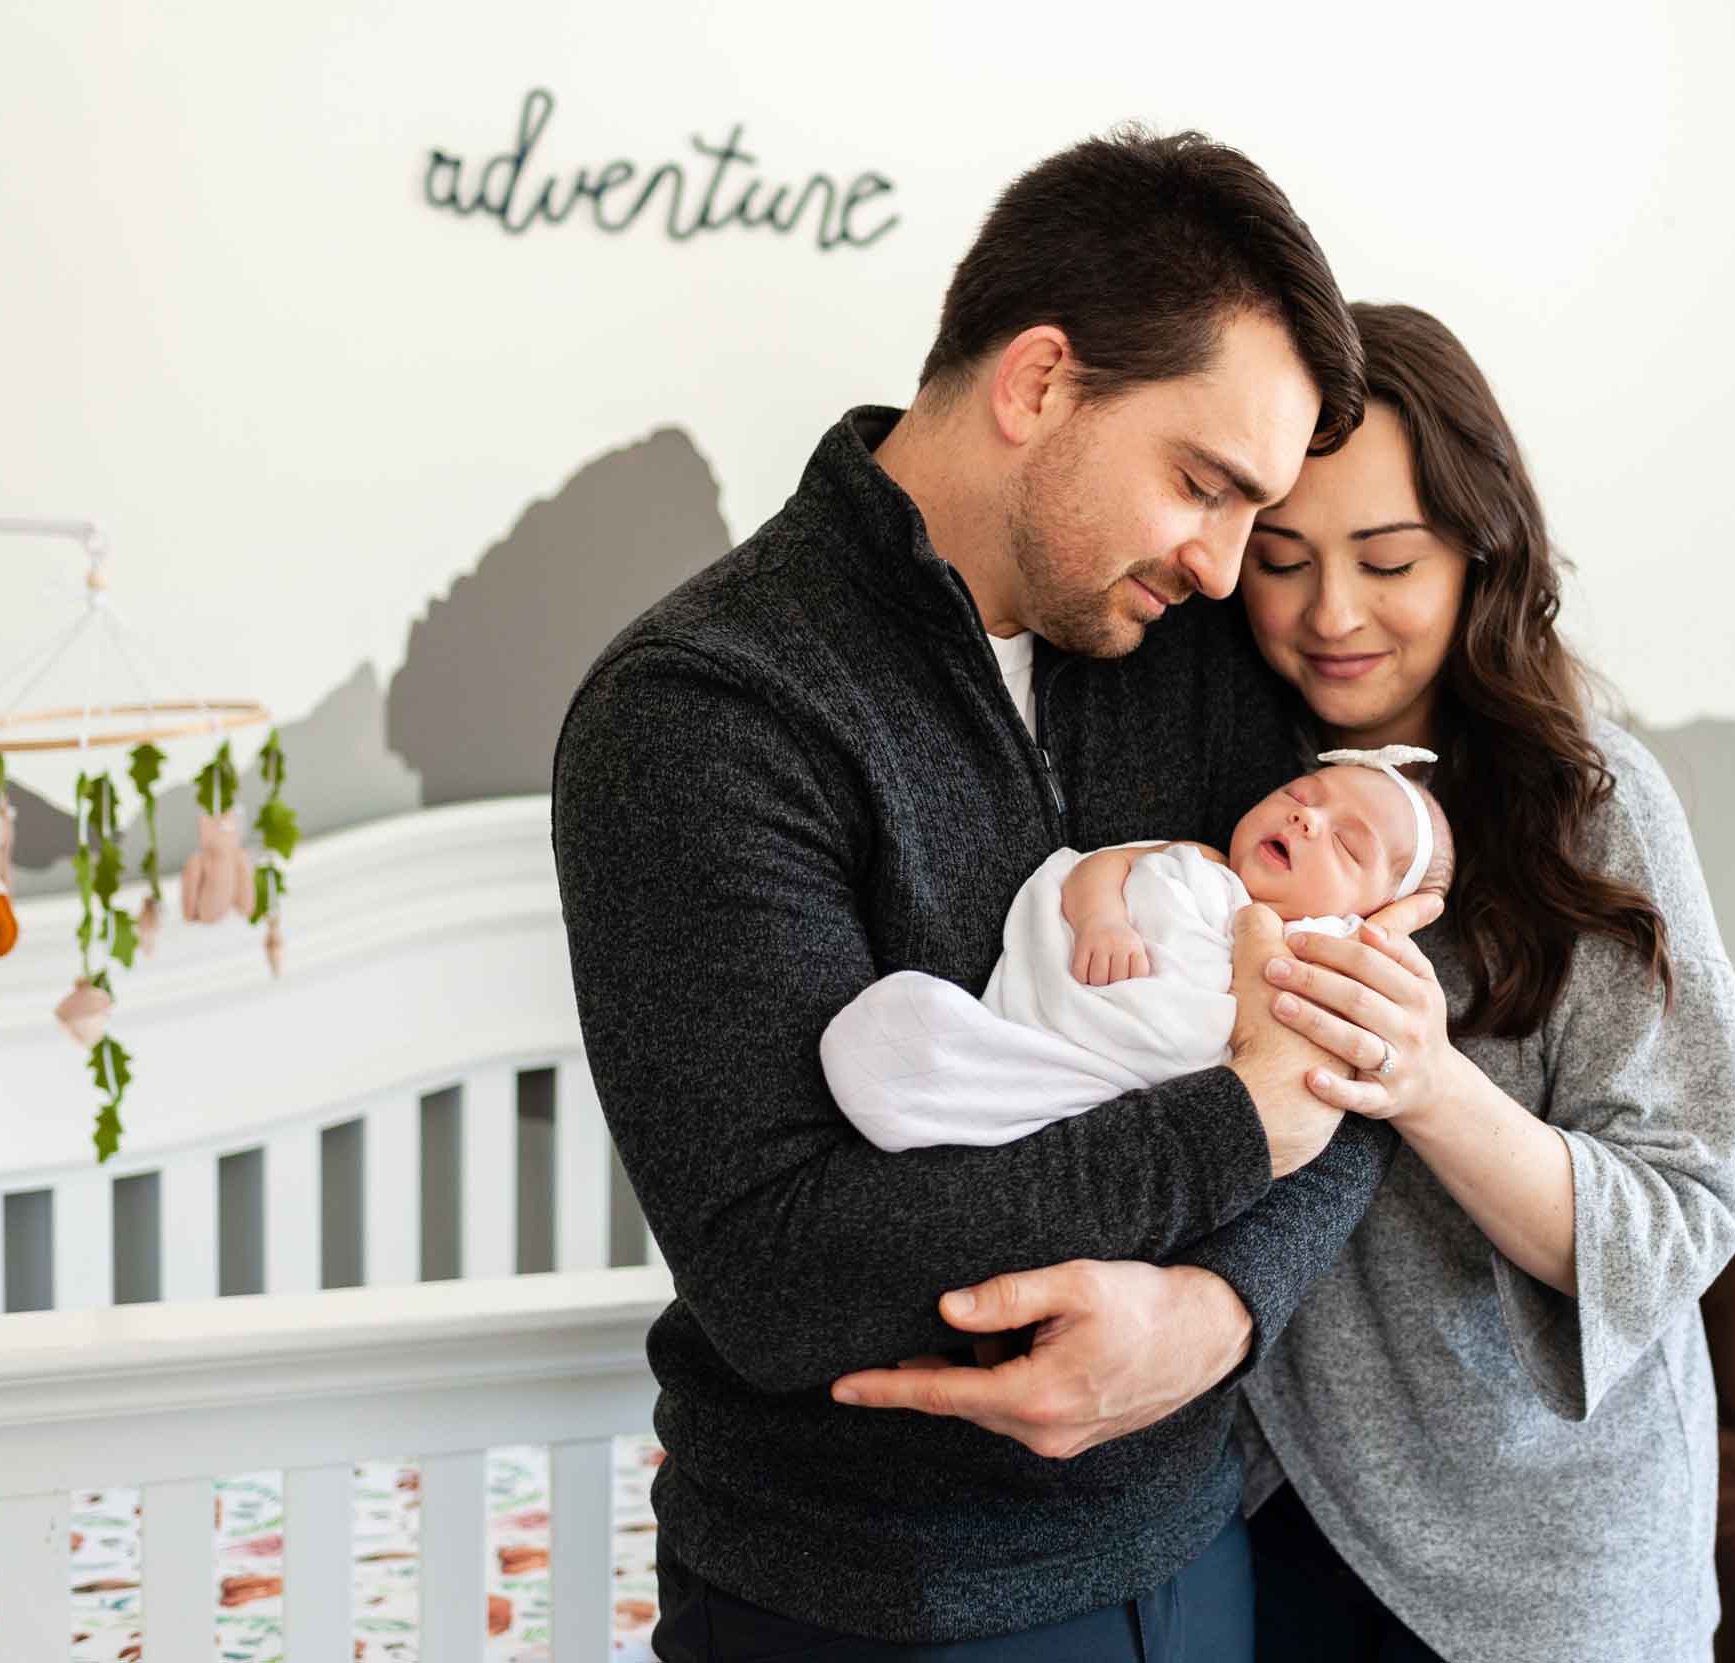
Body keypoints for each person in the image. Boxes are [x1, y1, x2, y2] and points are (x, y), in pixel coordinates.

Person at [549, 128, 1437, 1660]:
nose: (1232, 571)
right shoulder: (702, 715)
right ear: (1038, 384)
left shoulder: (1191, 661)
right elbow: (782, 1268)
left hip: (1194, 1548)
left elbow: (1354, 1073)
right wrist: (1230, 1126)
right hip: (875, 1605)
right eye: (1203, 486)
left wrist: (1217, 1312)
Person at [1227, 303, 1735, 1661]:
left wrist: (1425, 1081)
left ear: (1482, 547)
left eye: (1387, 558)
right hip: (1257, 1516)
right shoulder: (1229, 783)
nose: (1329, 613)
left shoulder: (1593, 805)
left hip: (1541, 1568)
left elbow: (1687, 1206)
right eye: (1280, 559)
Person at [821, 753, 1456, 1153]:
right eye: (1300, 795)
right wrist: (1102, 921)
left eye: (1347, 845)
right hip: (1076, 1005)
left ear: (1368, 913)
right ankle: (975, 1058)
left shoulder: (1323, 954)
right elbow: (1092, 870)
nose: (1307, 821)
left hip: (1123, 1085)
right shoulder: (1198, 859)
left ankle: (987, 1098)